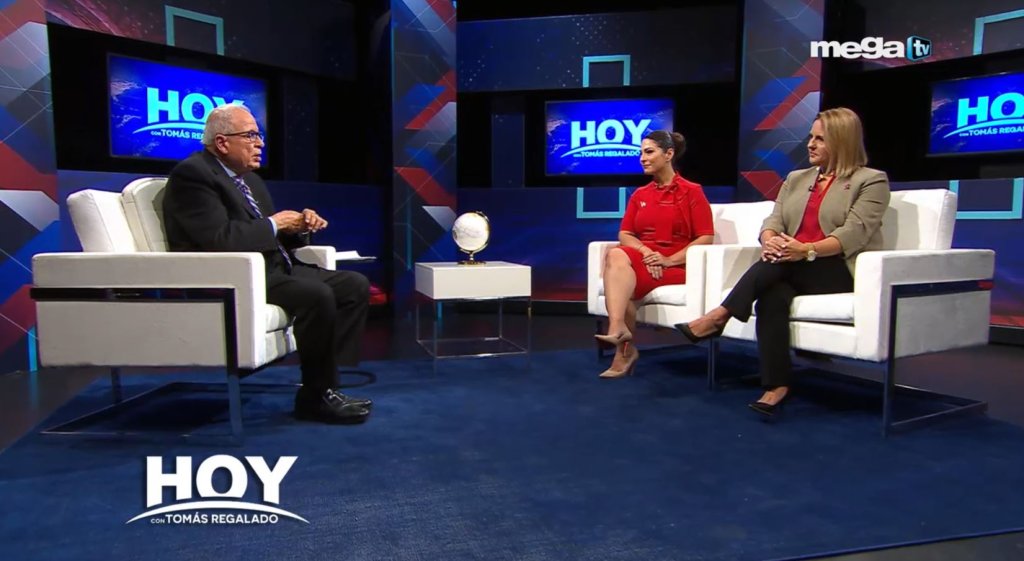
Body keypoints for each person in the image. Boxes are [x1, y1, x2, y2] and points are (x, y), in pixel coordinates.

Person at [162, 104, 372, 424]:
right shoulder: (193, 176)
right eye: (250, 136)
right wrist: (275, 223)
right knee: (317, 295)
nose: (260, 143)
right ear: (222, 143)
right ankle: (316, 395)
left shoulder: (250, 181)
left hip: (274, 267)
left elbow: (270, 237)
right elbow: (220, 240)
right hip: (236, 277)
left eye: (259, 136)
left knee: (354, 285)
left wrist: (298, 227)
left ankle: (326, 381)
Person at [677, 107, 891, 418]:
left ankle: (720, 315)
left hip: (837, 269)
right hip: (791, 264)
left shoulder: (870, 181)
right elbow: (773, 221)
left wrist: (805, 250)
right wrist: (770, 240)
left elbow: (852, 234)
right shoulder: (796, 178)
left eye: (820, 139)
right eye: (810, 137)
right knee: (772, 295)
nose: (810, 144)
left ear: (842, 141)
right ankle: (776, 385)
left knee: (779, 265)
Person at [595, 130, 715, 378]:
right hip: (648, 260)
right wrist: (646, 252)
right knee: (616, 256)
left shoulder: (692, 191)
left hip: (677, 265)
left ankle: (623, 348)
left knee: (622, 284)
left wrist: (668, 260)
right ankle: (619, 330)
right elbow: (625, 234)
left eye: (649, 152)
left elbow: (705, 237)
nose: (642, 158)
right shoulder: (640, 194)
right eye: (641, 153)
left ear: (669, 154)